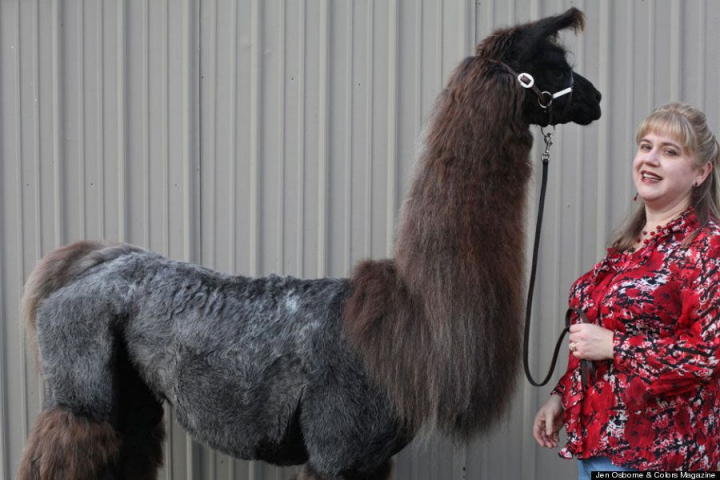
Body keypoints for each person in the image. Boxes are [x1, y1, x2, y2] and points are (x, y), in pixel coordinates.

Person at [533, 102, 720, 477]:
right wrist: (562, 396)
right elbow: (598, 338)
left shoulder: (706, 246)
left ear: (701, 172)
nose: (650, 159)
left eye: (670, 151)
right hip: (602, 449)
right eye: (645, 146)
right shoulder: (626, 249)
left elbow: (706, 355)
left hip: (665, 456)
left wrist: (614, 346)